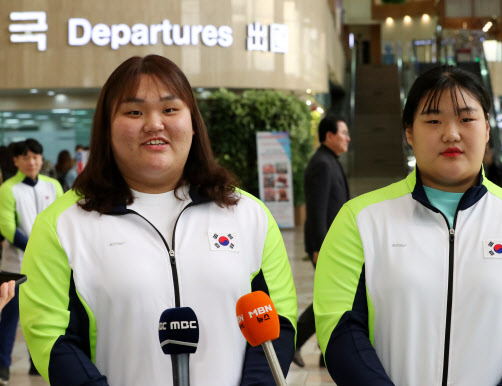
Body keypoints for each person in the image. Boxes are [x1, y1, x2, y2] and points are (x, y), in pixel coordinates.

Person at [19, 55, 297, 386]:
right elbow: (49, 337)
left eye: (169, 109)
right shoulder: (62, 225)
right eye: (134, 112)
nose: (154, 124)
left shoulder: (248, 215)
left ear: (193, 123)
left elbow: (278, 321)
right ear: (106, 128)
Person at [313, 65, 502, 385]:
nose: (451, 133)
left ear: (487, 129)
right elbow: (339, 329)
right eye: (433, 120)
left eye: (466, 119)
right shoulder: (359, 221)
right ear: (409, 132)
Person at [0, 138, 63, 384]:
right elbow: (7, 227)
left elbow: (63, 219)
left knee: (43, 317)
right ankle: (3, 366)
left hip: (48, 268)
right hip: (16, 267)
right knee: (10, 319)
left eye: (36, 157)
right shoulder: (8, 189)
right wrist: (40, 248)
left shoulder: (53, 185)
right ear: (16, 160)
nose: (32, 162)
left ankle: (38, 364)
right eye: (25, 157)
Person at [293, 116, 350, 368]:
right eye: (343, 133)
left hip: (333, 245)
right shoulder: (322, 164)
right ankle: (293, 343)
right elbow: (316, 209)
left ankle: (327, 352)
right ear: (329, 136)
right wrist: (319, 246)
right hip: (326, 246)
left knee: (333, 299)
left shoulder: (330, 161)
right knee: (329, 299)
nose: (348, 138)